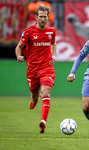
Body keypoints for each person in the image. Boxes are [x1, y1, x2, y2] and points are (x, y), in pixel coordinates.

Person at [15, 4, 57, 133]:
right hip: (32, 69)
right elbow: (18, 47)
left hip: (47, 68)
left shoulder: (51, 31)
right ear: (36, 17)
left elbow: (53, 43)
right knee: (34, 97)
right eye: (41, 17)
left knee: (46, 92)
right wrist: (19, 56)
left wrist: (54, 55)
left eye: (45, 17)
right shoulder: (28, 31)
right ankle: (34, 99)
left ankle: (43, 121)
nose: (43, 19)